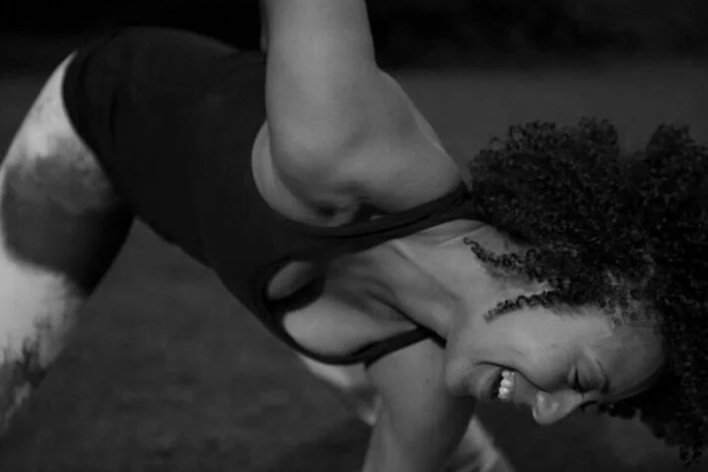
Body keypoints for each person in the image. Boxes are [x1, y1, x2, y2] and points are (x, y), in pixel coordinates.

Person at [0, 1, 706, 470]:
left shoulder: (429, 389)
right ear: (572, 267)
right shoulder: (343, 149)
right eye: (580, 381)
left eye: (587, 406)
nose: (550, 416)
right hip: (92, 125)